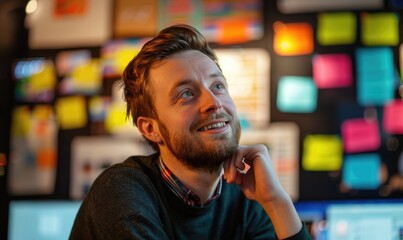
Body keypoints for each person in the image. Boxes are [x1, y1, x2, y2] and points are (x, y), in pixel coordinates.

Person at [70, 24, 311, 240]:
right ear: (151, 128)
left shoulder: (248, 198)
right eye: (186, 93)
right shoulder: (121, 191)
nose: (214, 102)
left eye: (218, 86)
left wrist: (276, 202)